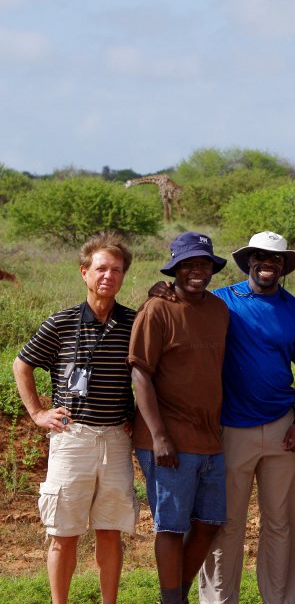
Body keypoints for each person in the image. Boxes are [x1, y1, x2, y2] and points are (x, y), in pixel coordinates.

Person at [12, 232, 139, 604]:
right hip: (72, 437)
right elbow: (22, 365)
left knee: (110, 531)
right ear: (84, 272)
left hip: (116, 439)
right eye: (100, 268)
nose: (108, 276)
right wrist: (37, 412)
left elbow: (148, 375)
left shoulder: (133, 322)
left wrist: (136, 416)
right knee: (63, 533)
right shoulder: (61, 322)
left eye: (116, 270)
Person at [197, 231, 295, 604]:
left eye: (276, 259)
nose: (268, 263)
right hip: (230, 428)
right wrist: (161, 292)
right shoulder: (221, 302)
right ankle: (218, 600)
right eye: (260, 257)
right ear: (249, 260)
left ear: (284, 266)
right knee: (226, 523)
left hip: (283, 427)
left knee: (281, 524)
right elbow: (182, 311)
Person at [129, 231, 230, 604]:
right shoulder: (156, 309)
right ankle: (172, 599)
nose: (196, 271)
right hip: (168, 439)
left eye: (203, 264)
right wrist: (159, 436)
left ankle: (175, 597)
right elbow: (140, 372)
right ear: (175, 268)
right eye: (188, 264)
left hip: (210, 439)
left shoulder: (219, 310)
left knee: (209, 523)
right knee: (171, 526)